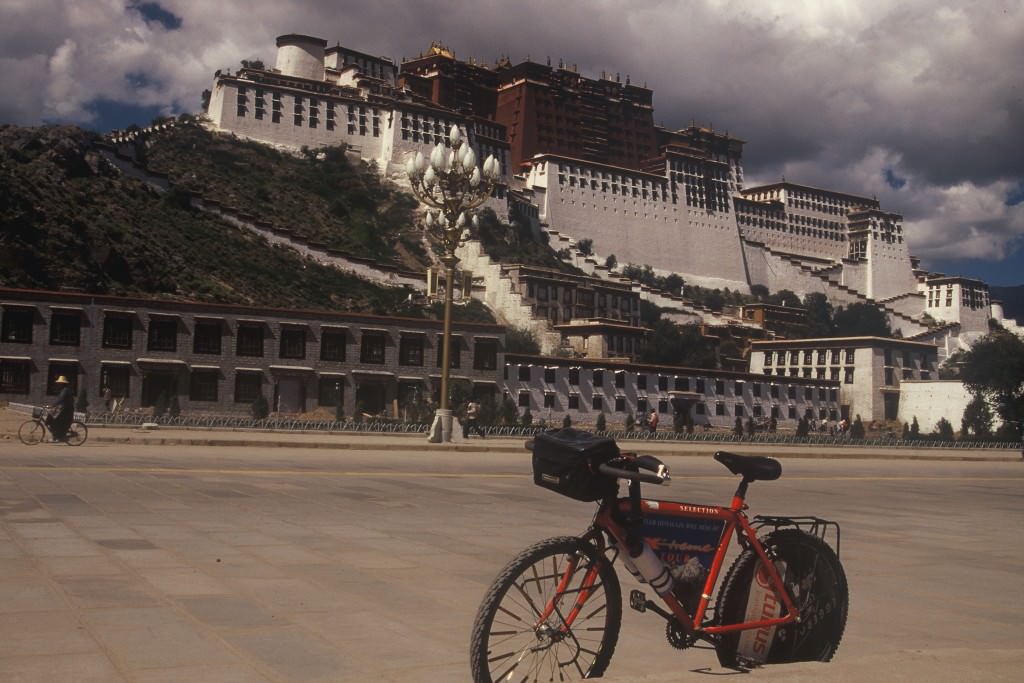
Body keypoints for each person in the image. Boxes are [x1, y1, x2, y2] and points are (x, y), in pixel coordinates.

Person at [46, 375, 75, 441]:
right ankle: (55, 435)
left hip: (67, 410)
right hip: (63, 409)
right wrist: (54, 406)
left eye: (59, 383)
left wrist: (52, 405)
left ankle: (59, 436)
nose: (58, 384)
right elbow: (59, 400)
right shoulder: (63, 390)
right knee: (51, 416)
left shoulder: (65, 390)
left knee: (55, 420)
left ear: (62, 383)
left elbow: (60, 400)